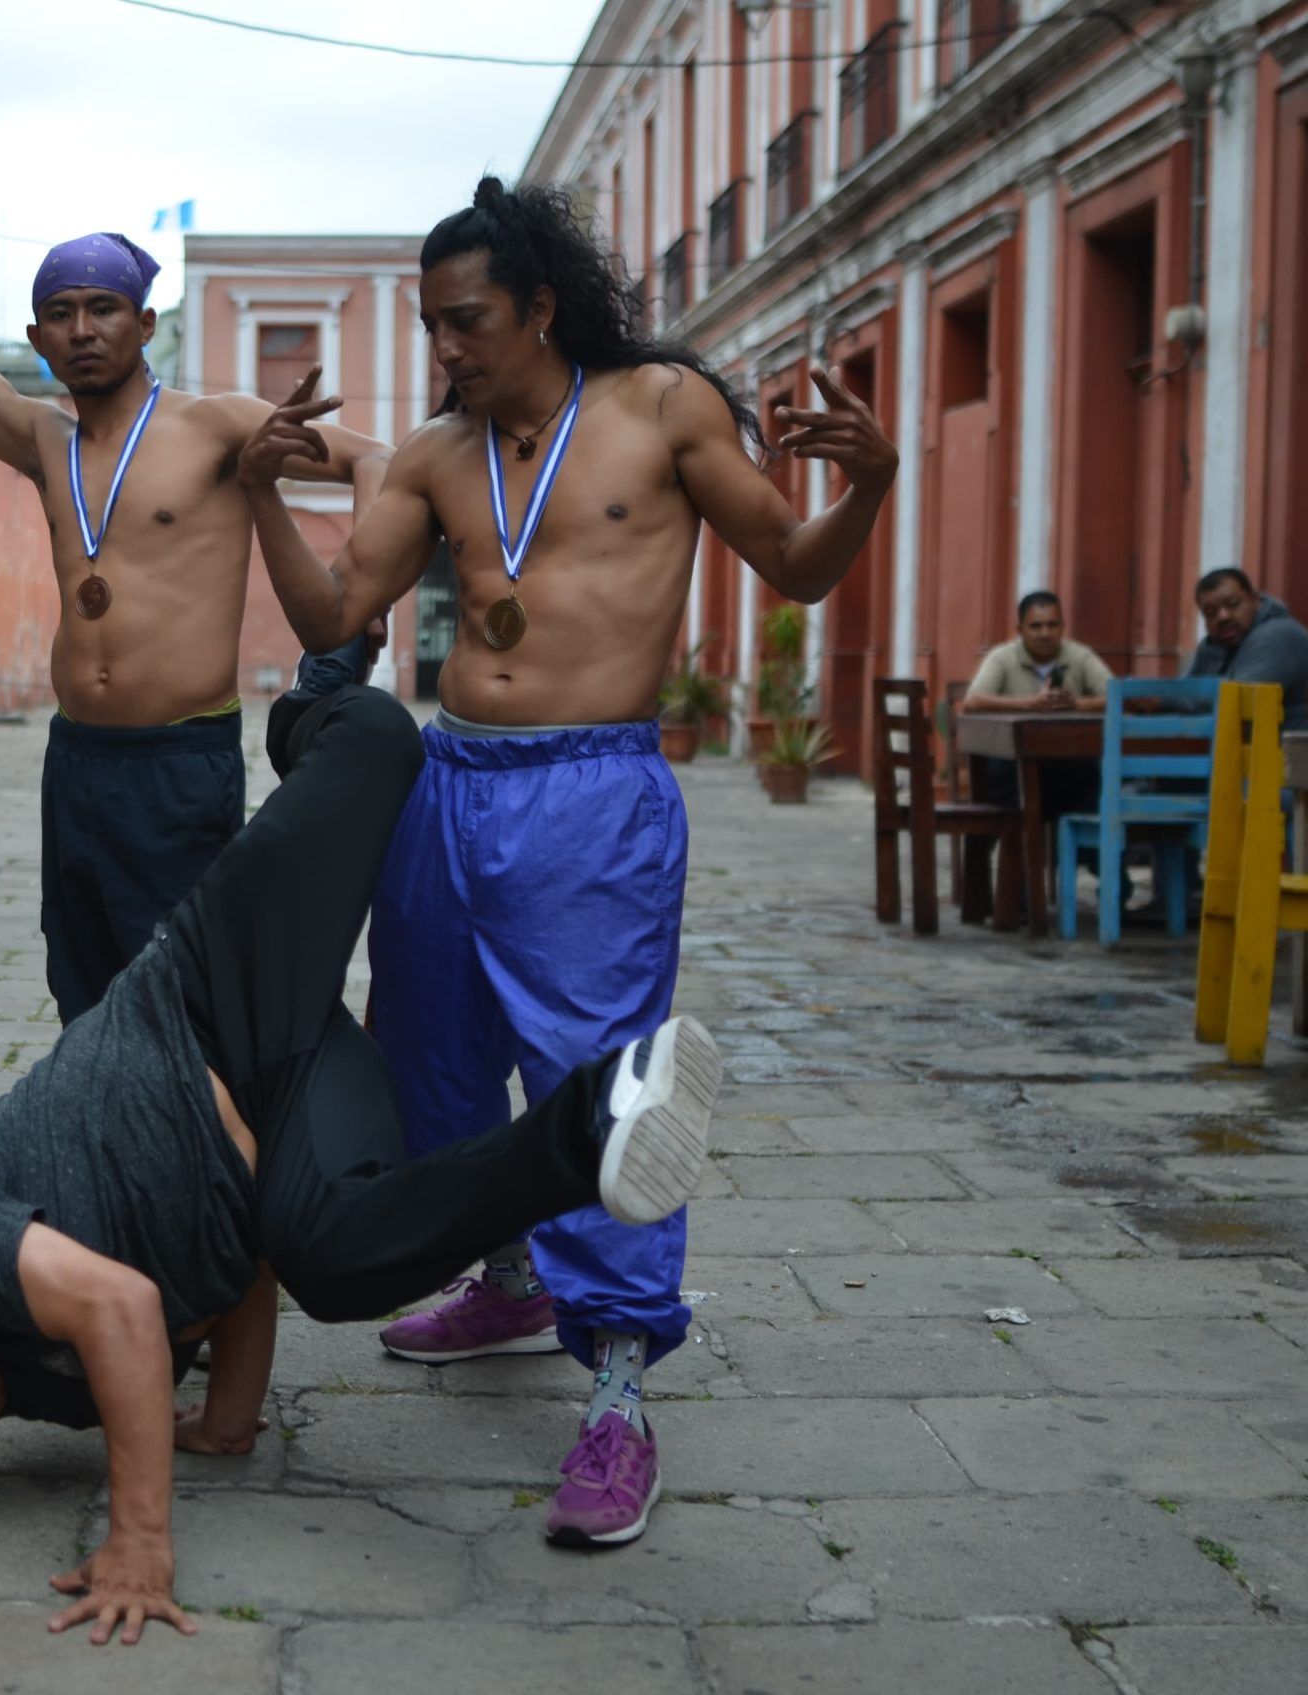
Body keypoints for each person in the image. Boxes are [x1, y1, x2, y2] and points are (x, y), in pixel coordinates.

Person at [0, 684, 722, 1646]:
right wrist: (229, 1420)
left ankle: (316, 702)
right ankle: (599, 1125)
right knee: (341, 1266)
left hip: (213, 994)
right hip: (298, 1102)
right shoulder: (51, 1397)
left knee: (380, 744)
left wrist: (138, 1536)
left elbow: (125, 1309)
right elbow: (234, 1270)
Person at [235, 176, 897, 1548]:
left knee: (604, 1078)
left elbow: (797, 567)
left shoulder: (660, 410)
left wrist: (875, 479)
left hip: (592, 792)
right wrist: (259, 500)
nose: (448, 349)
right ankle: (509, 1277)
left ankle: (617, 1388)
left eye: (468, 321)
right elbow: (337, 619)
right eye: (433, 325)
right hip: (448, 785)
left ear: (540, 306)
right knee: (436, 1057)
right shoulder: (432, 453)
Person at [0, 76, 388, 1024]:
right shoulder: (45, 443)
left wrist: (351, 610)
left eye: (103, 308)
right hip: (76, 761)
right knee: (83, 995)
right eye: (63, 314)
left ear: (144, 323)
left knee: (182, 1003)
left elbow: (384, 464)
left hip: (181, 763)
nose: (83, 329)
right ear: (37, 336)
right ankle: (111, 1166)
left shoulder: (215, 427)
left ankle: (197, 1168)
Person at [959, 590, 1112, 816]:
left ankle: (1076, 848)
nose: (1045, 634)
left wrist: (1076, 705)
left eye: (1052, 625)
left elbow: (1118, 698)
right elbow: (972, 702)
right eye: (1036, 626)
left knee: (1091, 779)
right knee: (1011, 779)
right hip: (1013, 765)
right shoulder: (1002, 657)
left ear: (1063, 627)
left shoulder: (1080, 656)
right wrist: (1031, 704)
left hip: (1068, 761)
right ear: (1020, 630)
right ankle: (1027, 848)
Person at [1185, 567, 1308, 731]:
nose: (1223, 616)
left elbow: (1238, 703)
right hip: (1238, 746)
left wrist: (1167, 700)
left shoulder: (1276, 635)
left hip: (1295, 751)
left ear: (1255, 600)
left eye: (1233, 604)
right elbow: (1188, 693)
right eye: (1211, 613)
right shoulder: (1216, 644)